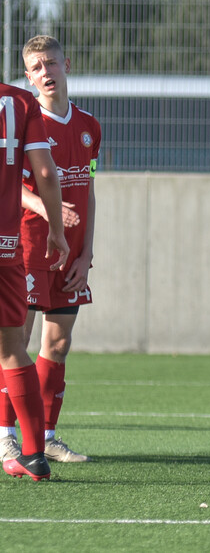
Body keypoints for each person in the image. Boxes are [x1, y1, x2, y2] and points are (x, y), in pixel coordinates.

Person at [0, 36, 99, 466]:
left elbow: (89, 189)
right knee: (16, 340)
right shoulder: (22, 119)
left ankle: (47, 436)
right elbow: (18, 186)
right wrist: (43, 205)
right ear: (28, 76)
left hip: (70, 253)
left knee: (58, 344)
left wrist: (86, 254)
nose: (46, 73)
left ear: (66, 65)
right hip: (29, 246)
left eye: (52, 64)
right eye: (36, 67)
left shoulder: (89, 126)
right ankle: (7, 437)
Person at [0, 39, 70, 481]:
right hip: (7, 247)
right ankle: (33, 453)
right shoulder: (20, 102)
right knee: (12, 348)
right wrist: (59, 232)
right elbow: (45, 171)